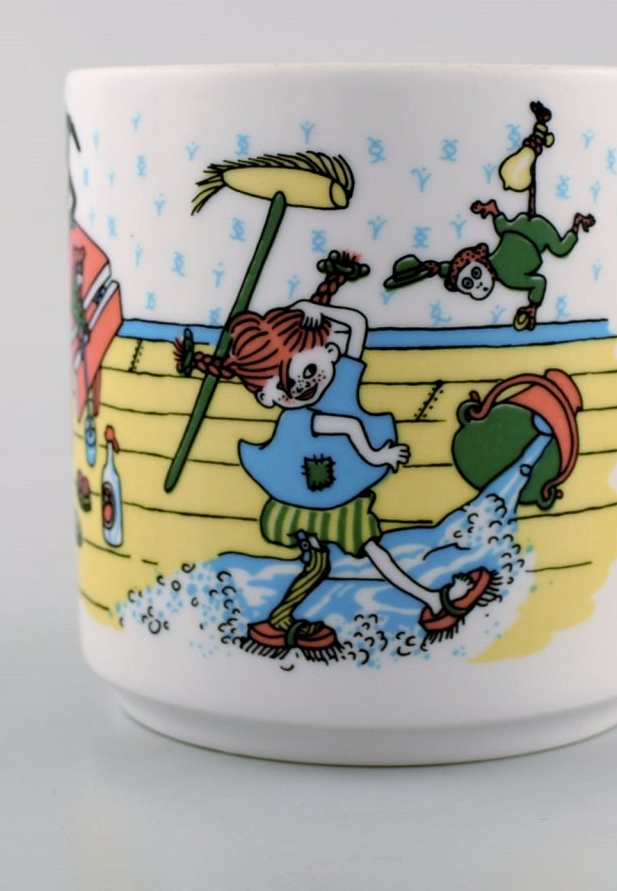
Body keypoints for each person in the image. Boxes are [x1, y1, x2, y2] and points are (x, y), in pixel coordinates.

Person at [177, 254, 495, 660]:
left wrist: (313, 308)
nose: (301, 388)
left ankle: (427, 603)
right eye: (284, 387)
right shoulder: (301, 415)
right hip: (307, 505)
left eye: (308, 371)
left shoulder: (339, 376)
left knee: (341, 560)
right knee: (339, 560)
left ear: (328, 351)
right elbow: (345, 426)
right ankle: (282, 623)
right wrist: (378, 456)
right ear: (267, 397)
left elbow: (357, 325)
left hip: (334, 501)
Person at [384, 200, 595, 330]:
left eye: (475, 274)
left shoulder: (511, 278)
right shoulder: (497, 268)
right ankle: (493, 209)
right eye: (468, 284)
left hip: (539, 234)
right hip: (513, 227)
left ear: (481, 261)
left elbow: (539, 282)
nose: (478, 284)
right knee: (503, 229)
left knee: (561, 249)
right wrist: (435, 268)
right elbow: (455, 267)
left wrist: (533, 307)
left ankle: (577, 224)